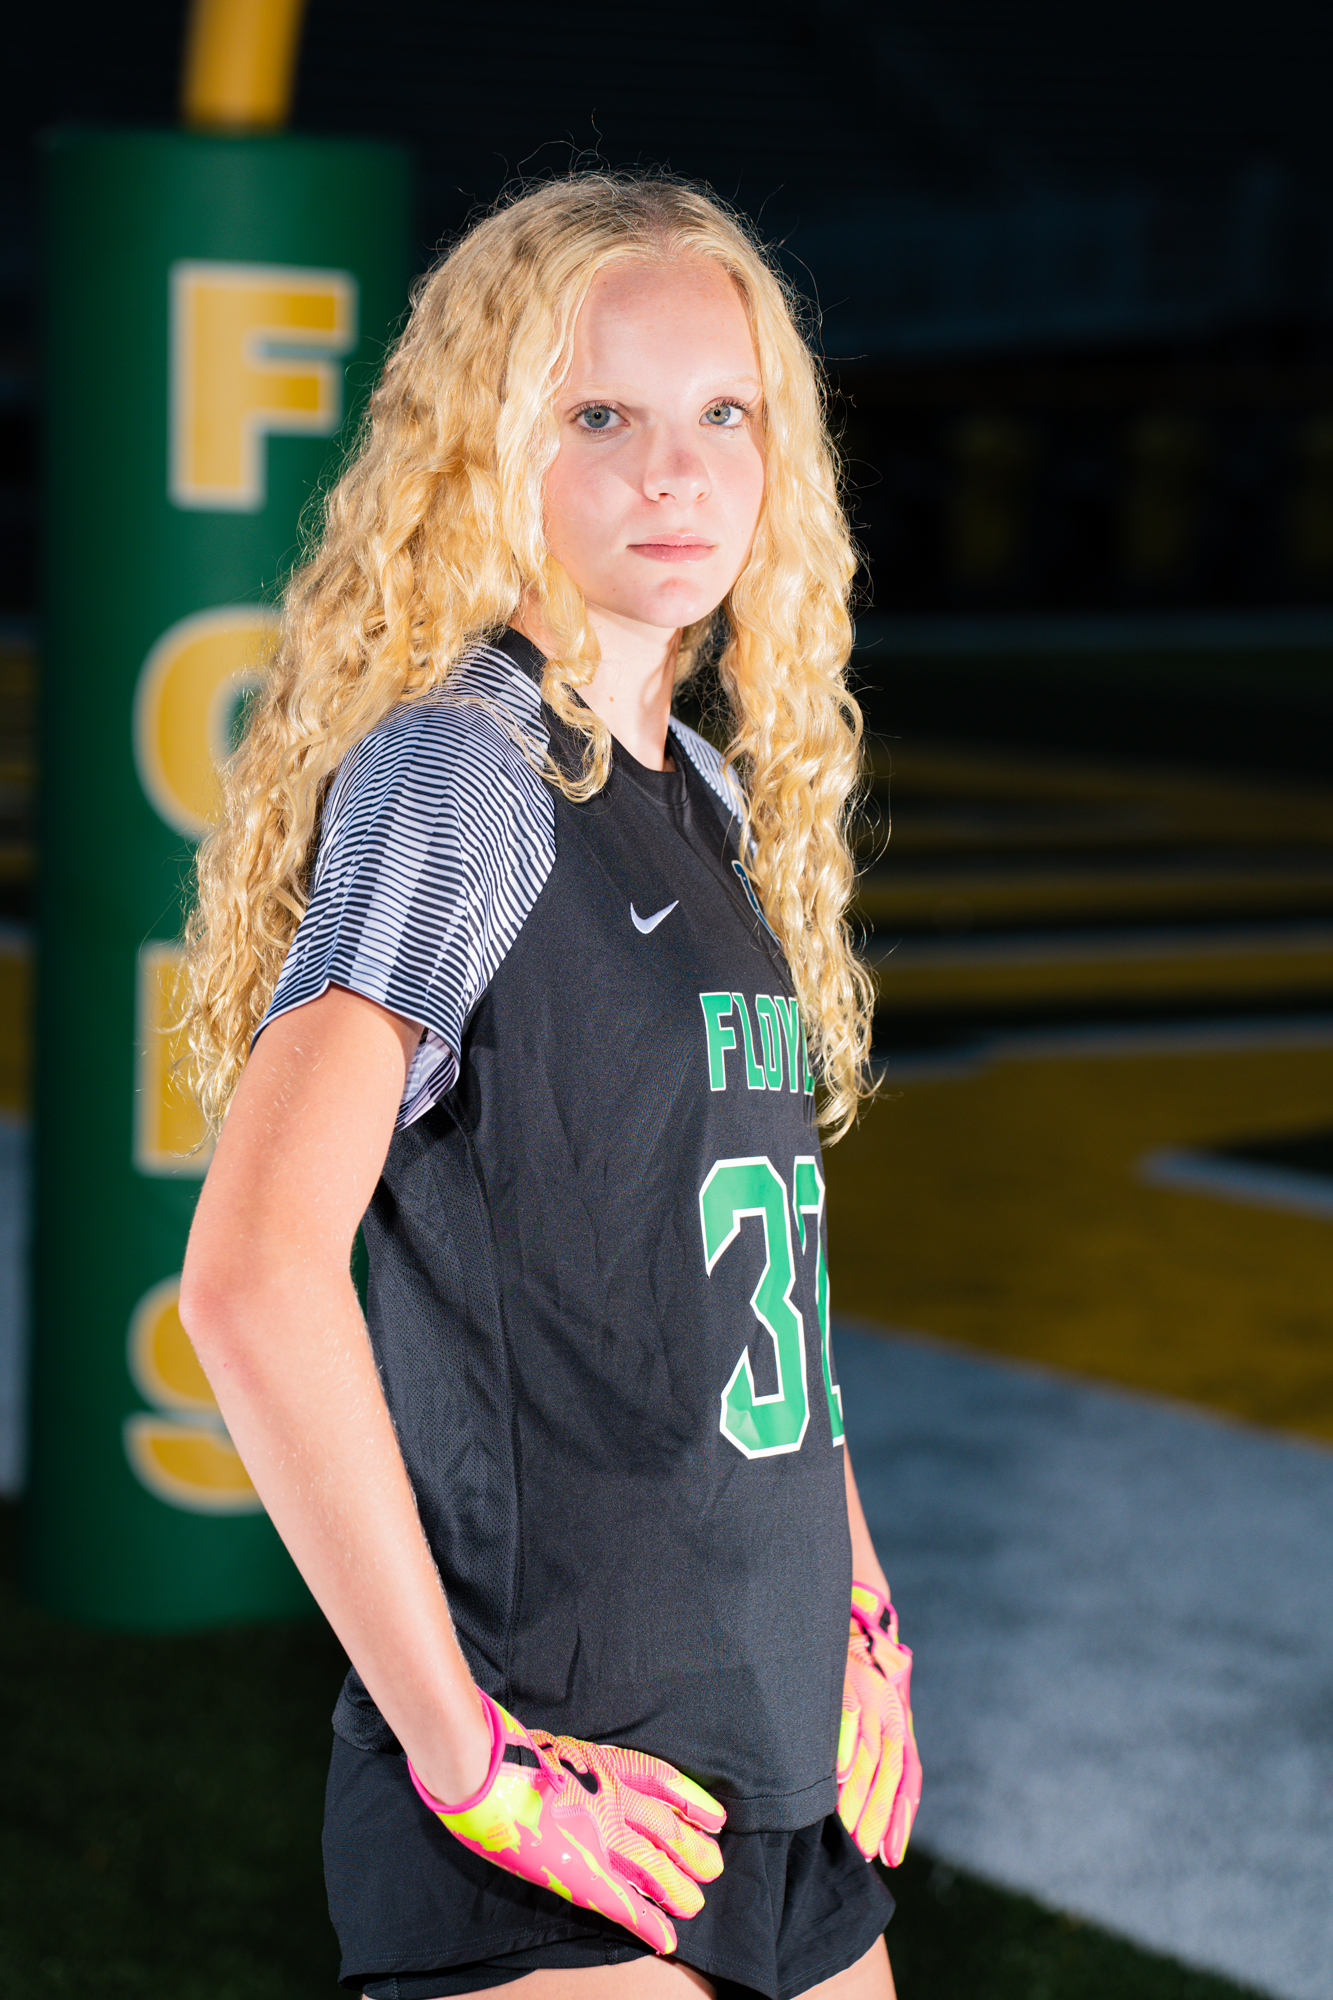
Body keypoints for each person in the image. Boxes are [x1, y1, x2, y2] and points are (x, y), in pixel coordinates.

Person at [179, 172, 921, 2000]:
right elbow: (253, 1281)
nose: (674, 473)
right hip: (566, 1785)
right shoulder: (466, 776)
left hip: (781, 1760)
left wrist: (856, 1595)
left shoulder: (709, 799)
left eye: (721, 414)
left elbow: (746, 1288)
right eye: (599, 416)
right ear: (484, 449)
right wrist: (471, 1764)